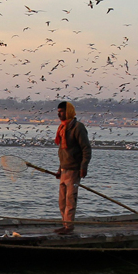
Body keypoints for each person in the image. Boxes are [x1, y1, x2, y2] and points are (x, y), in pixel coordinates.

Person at [54, 100, 92, 235]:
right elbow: (63, 152)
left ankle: (69, 227)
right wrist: (59, 169)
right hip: (64, 170)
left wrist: (84, 167)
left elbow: (86, 149)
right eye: (58, 112)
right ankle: (65, 224)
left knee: (70, 200)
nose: (59, 114)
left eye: (62, 112)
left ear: (68, 111)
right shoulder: (62, 128)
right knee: (62, 202)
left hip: (74, 170)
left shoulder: (78, 128)